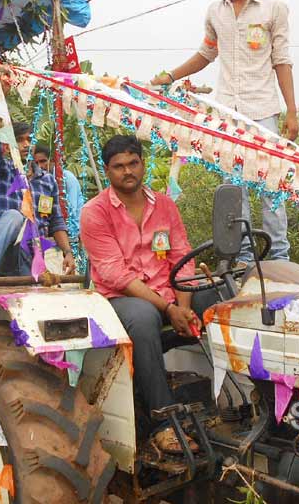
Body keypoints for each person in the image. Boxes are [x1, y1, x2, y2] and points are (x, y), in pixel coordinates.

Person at [151, 0, 297, 264]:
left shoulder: (273, 9)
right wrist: (169, 76)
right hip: (226, 115)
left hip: (264, 113)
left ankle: (279, 260)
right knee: (235, 190)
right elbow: (206, 54)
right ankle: (242, 258)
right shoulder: (216, 12)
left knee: (272, 188)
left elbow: (282, 60)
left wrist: (292, 112)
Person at [81, 135, 216, 454]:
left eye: (133, 163)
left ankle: (242, 402)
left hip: (169, 294)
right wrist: (171, 310)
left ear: (142, 163)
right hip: (120, 299)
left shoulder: (165, 205)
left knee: (217, 298)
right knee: (143, 319)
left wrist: (183, 304)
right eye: (118, 166)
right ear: (108, 170)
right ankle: (163, 423)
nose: (127, 171)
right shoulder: (95, 212)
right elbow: (116, 275)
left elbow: (182, 257)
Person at [0, 119, 75, 281]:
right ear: (8, 146)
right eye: (19, 140)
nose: (26, 144)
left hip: (32, 252)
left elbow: (56, 222)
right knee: (15, 216)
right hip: (4, 250)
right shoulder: (2, 171)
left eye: (29, 139)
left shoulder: (48, 181)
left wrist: (68, 253)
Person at [33, 144, 84, 232]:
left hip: (75, 230)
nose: (40, 166)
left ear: (52, 161)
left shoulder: (67, 178)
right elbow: (44, 213)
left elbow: (71, 211)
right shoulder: (41, 182)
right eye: (36, 163)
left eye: (43, 161)